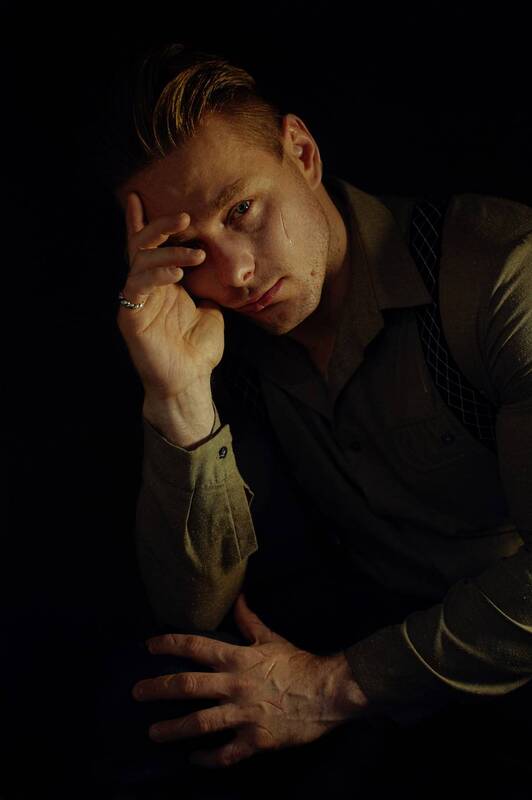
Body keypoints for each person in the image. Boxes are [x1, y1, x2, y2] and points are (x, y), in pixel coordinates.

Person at [97, 40, 532, 797]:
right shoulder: (217, 335)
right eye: (190, 247)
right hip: (379, 681)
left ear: (301, 152)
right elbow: (190, 609)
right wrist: (178, 396)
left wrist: (333, 687)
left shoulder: (497, 274)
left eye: (242, 210)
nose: (234, 272)